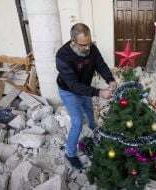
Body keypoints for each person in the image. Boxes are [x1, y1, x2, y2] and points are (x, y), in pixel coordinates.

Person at [56, 23, 117, 169]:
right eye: (83, 45)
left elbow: (100, 64)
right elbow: (74, 86)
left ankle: (94, 136)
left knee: (90, 114)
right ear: (73, 41)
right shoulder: (62, 56)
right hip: (69, 90)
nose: (87, 48)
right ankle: (70, 153)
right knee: (77, 122)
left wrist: (110, 79)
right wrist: (99, 92)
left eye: (89, 43)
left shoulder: (91, 48)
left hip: (85, 88)